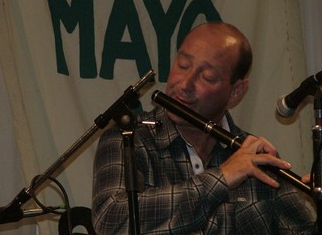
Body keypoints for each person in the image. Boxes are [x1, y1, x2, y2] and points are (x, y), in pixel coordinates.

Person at [91, 22, 316, 234]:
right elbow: (111, 221)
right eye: (182, 65)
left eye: (207, 77)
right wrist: (222, 178)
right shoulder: (129, 138)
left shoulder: (255, 158)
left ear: (236, 91)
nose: (185, 84)